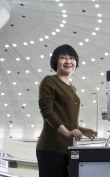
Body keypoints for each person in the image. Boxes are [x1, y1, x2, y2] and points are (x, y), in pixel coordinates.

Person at [36, 44, 97, 177]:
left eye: (72, 58)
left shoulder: (72, 88)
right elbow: (47, 111)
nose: (68, 61)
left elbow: (68, 119)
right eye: (63, 58)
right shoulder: (49, 81)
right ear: (55, 61)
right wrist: (67, 132)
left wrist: (82, 130)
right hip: (51, 147)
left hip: (68, 148)